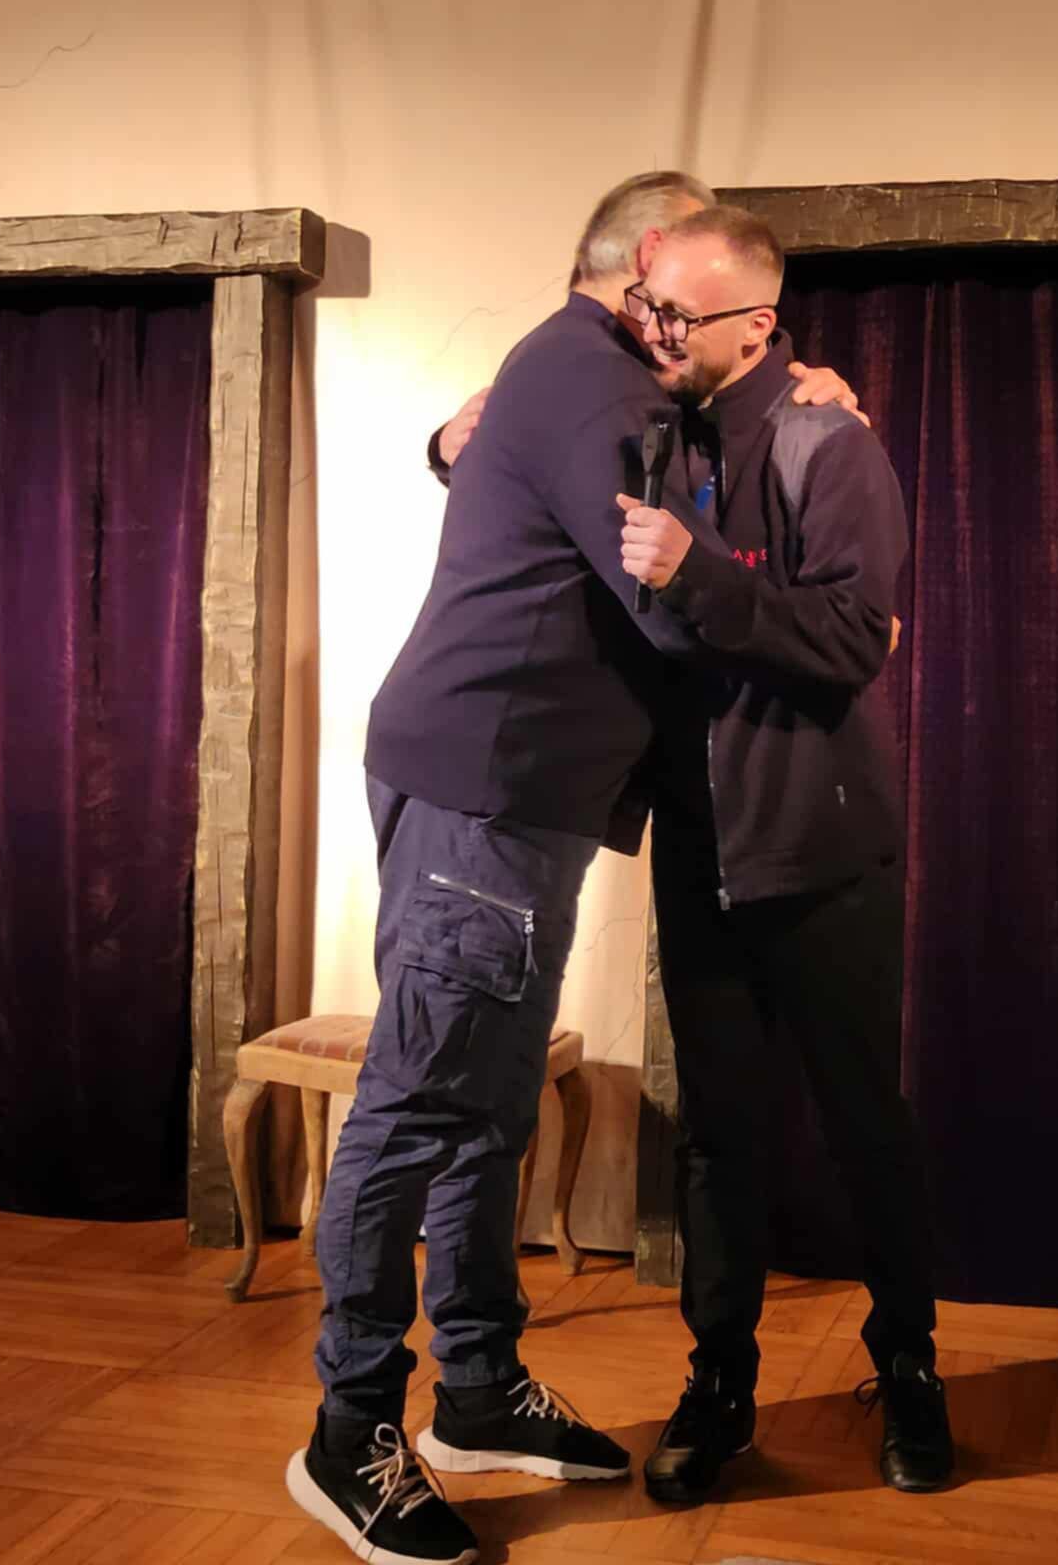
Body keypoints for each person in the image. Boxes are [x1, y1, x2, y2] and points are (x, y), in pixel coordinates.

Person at [287, 172, 862, 1565]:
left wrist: (789, 392)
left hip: (513, 792)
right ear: (652, 259)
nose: (704, 327)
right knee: (419, 1102)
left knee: (486, 1104)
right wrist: (804, 591)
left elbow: (627, 500)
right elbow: (667, 610)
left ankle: (477, 1388)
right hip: (486, 786)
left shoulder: (588, 372)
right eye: (695, 288)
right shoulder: (595, 379)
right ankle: (347, 1432)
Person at [615, 206, 955, 1501]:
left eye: (677, 314)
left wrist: (700, 577)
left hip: (821, 851)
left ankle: (911, 1375)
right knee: (717, 1138)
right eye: (648, 307)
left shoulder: (829, 442)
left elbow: (858, 638)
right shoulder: (651, 435)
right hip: (697, 851)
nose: (655, 331)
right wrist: (445, 445)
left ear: (756, 326)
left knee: (867, 1125)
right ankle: (720, 1387)